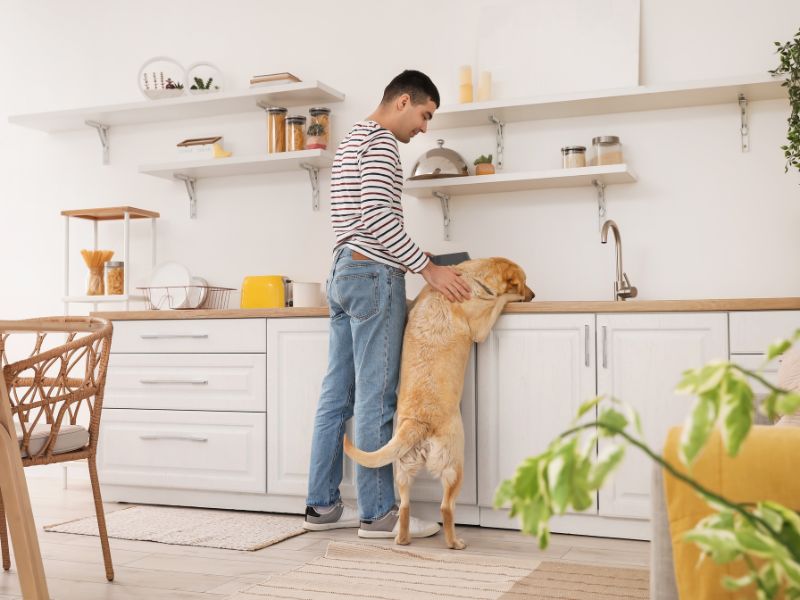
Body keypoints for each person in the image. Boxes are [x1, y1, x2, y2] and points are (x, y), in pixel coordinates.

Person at [304, 70, 472, 538]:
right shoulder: (380, 143)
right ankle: (378, 514)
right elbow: (378, 218)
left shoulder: (353, 139)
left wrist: (421, 258)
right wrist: (427, 267)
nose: (424, 128)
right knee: (378, 399)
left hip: (342, 272)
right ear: (403, 101)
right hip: (373, 277)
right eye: (424, 115)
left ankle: (320, 506)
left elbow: (360, 220)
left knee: (336, 396)